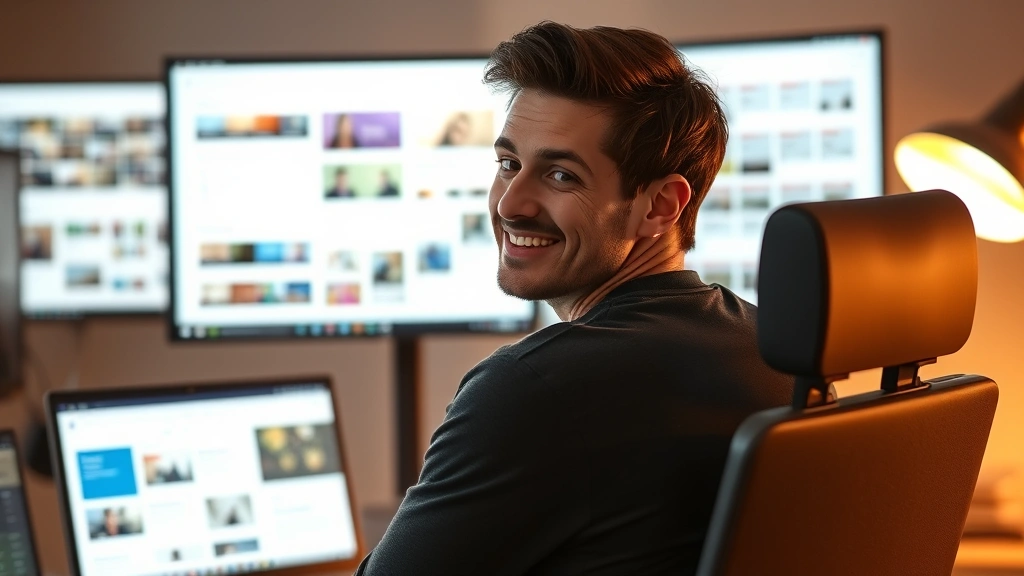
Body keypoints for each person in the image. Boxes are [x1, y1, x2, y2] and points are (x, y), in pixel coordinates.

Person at [355, 22, 793, 575]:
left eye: (561, 175)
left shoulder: (535, 389)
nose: (511, 204)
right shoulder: (767, 348)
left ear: (660, 206)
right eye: (509, 164)